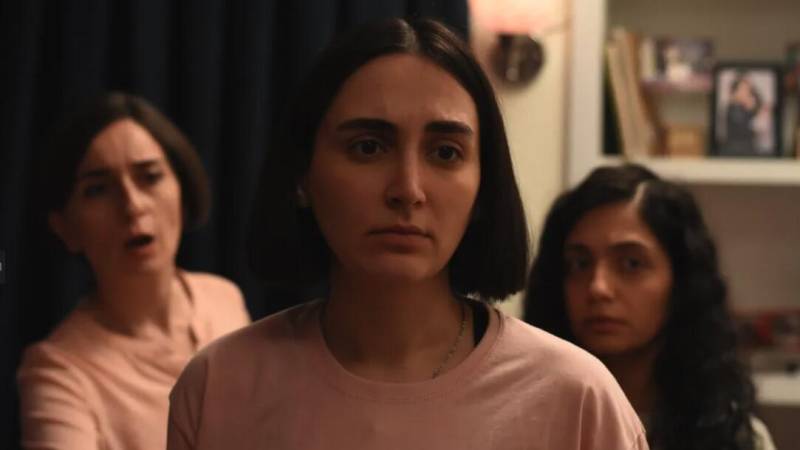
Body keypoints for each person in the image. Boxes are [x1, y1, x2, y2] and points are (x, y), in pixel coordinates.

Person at [166, 18, 648, 450]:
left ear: (484, 187)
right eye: (369, 146)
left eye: (444, 154)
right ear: (301, 177)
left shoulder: (574, 398)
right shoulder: (219, 387)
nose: (408, 190)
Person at [17, 92, 251, 450]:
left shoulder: (223, 297)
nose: (133, 205)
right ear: (64, 226)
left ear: (182, 191)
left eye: (150, 177)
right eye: (98, 190)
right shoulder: (58, 373)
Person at [524, 163, 776, 450]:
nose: (598, 287)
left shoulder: (736, 438)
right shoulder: (521, 424)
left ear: (680, 281)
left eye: (631, 264)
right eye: (580, 264)